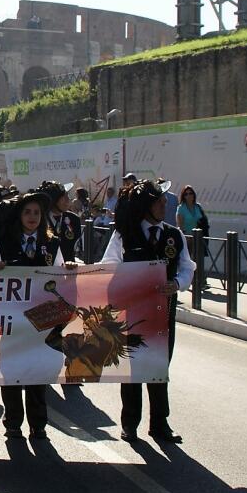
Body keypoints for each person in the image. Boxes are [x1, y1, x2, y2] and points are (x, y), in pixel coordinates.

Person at [101, 179, 195, 443]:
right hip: (131, 313)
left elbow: (188, 267)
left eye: (165, 201)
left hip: (163, 313)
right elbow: (109, 264)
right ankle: (129, 423)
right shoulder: (124, 234)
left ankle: (160, 423)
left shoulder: (173, 235)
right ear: (145, 206)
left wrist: (177, 284)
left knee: (159, 367)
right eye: (158, 202)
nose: (164, 205)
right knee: (132, 369)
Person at [0, 191, 63, 439]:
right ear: (19, 216)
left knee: (37, 370)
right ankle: (12, 421)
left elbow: (61, 276)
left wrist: (70, 268)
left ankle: (38, 423)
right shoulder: (4, 244)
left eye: (36, 213)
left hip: (42, 320)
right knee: (11, 370)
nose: (32, 217)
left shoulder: (52, 244)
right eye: (27, 212)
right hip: (11, 319)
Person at [39, 181, 81, 264]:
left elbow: (75, 247)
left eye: (67, 196)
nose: (68, 200)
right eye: (64, 197)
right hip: (47, 272)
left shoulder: (74, 219)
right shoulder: (40, 219)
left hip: (69, 269)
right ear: (53, 201)